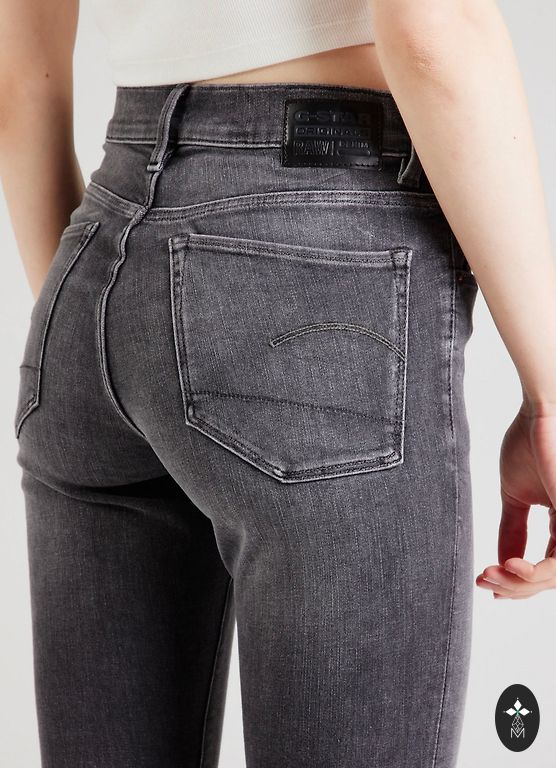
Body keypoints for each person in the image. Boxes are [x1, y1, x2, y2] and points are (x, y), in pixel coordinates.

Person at [2, 0, 555, 766]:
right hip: (320, 245)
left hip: (92, 266)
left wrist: (113, 336)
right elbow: (435, 27)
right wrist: (547, 396)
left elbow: (19, 81)